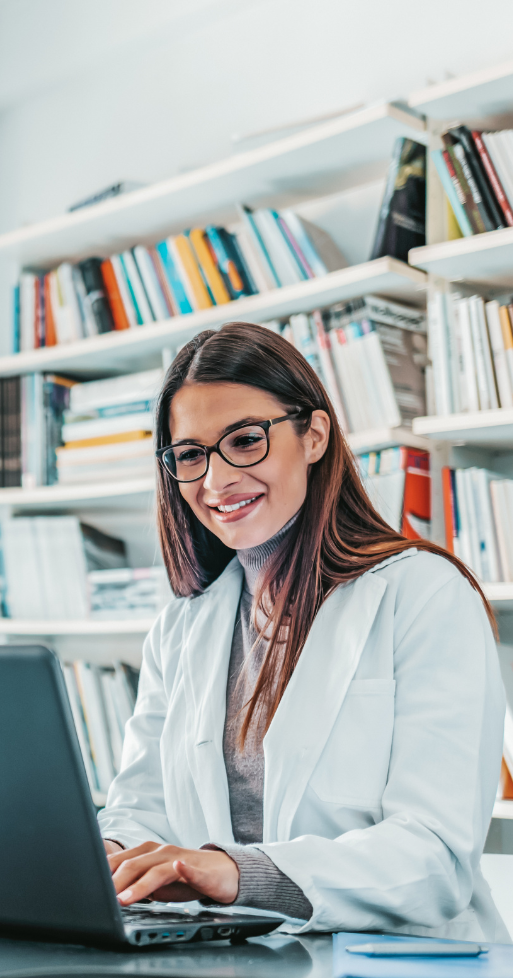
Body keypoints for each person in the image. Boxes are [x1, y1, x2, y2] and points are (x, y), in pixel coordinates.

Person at [97, 322, 507, 941]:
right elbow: (141, 804)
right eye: (190, 455)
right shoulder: (183, 625)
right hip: (232, 963)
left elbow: (433, 857)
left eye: (244, 440)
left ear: (313, 435)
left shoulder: (424, 594)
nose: (215, 480)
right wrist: (109, 852)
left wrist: (235, 872)